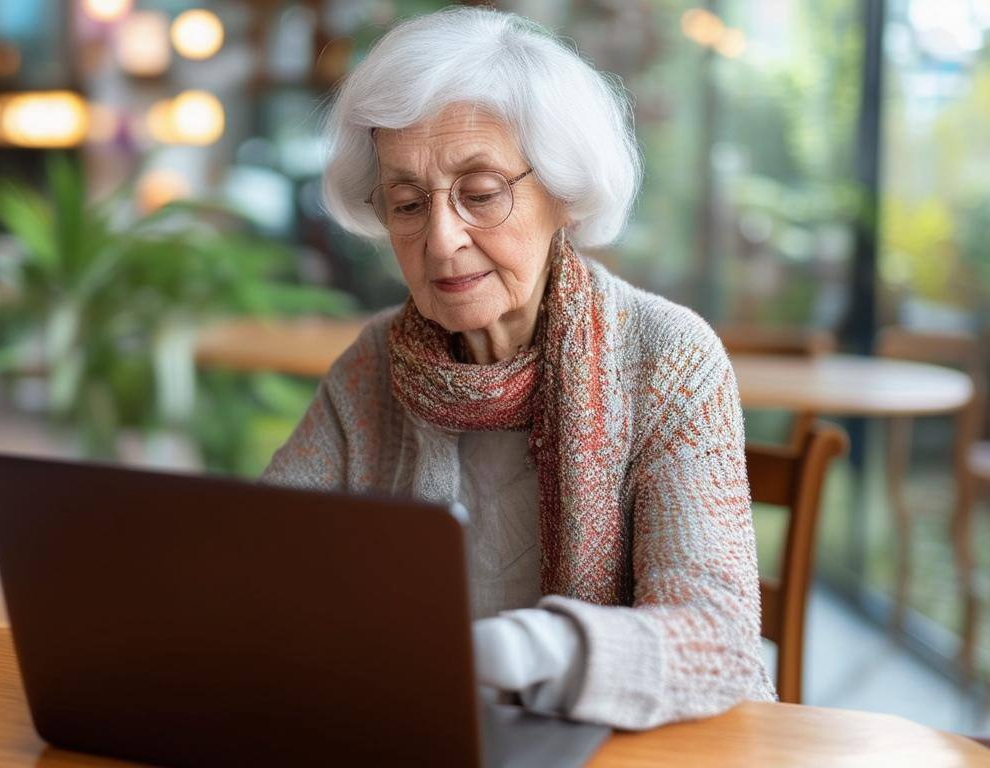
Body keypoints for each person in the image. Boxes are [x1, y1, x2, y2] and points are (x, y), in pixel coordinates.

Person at [262, 6, 775, 730]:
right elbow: (262, 557)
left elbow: (715, 638)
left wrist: (525, 650)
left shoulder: (667, 358)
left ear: (562, 193)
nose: (441, 241)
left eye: (480, 194)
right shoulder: (376, 363)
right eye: (407, 203)